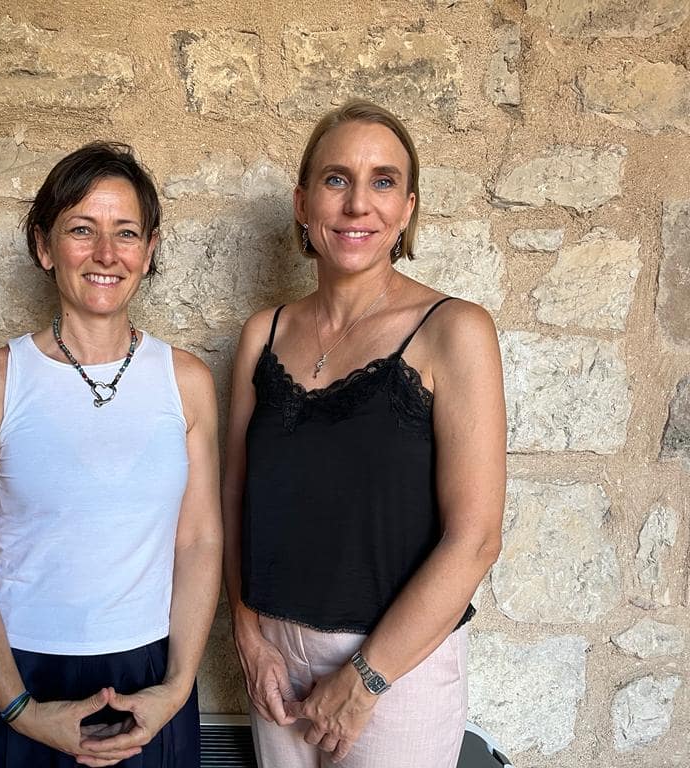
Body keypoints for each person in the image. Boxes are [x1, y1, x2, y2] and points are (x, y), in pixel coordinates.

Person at [222, 99, 506, 767]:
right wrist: (248, 637)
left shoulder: (454, 330)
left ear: (407, 209)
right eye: (335, 179)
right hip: (275, 663)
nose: (357, 204)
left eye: (383, 181)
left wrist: (366, 678)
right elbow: (233, 498)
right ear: (302, 203)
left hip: (395, 672)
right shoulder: (262, 334)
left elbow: (476, 539)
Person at [0, 141, 222, 767]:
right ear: (44, 246)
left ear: (149, 250)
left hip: (149, 679)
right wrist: (21, 709)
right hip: (18, 673)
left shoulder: (187, 381)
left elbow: (199, 542)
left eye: (126, 233)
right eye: (81, 230)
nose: (106, 254)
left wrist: (176, 688)